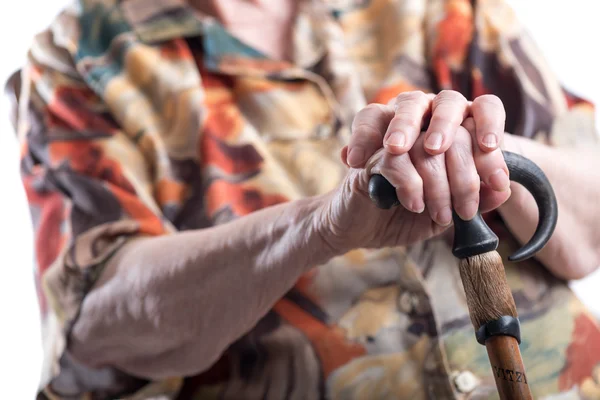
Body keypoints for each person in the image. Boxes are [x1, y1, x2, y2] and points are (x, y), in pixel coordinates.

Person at [6, 0, 600, 398]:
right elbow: (96, 325)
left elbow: (588, 232)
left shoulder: (437, 9)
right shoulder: (76, 57)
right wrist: (317, 227)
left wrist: (483, 150)